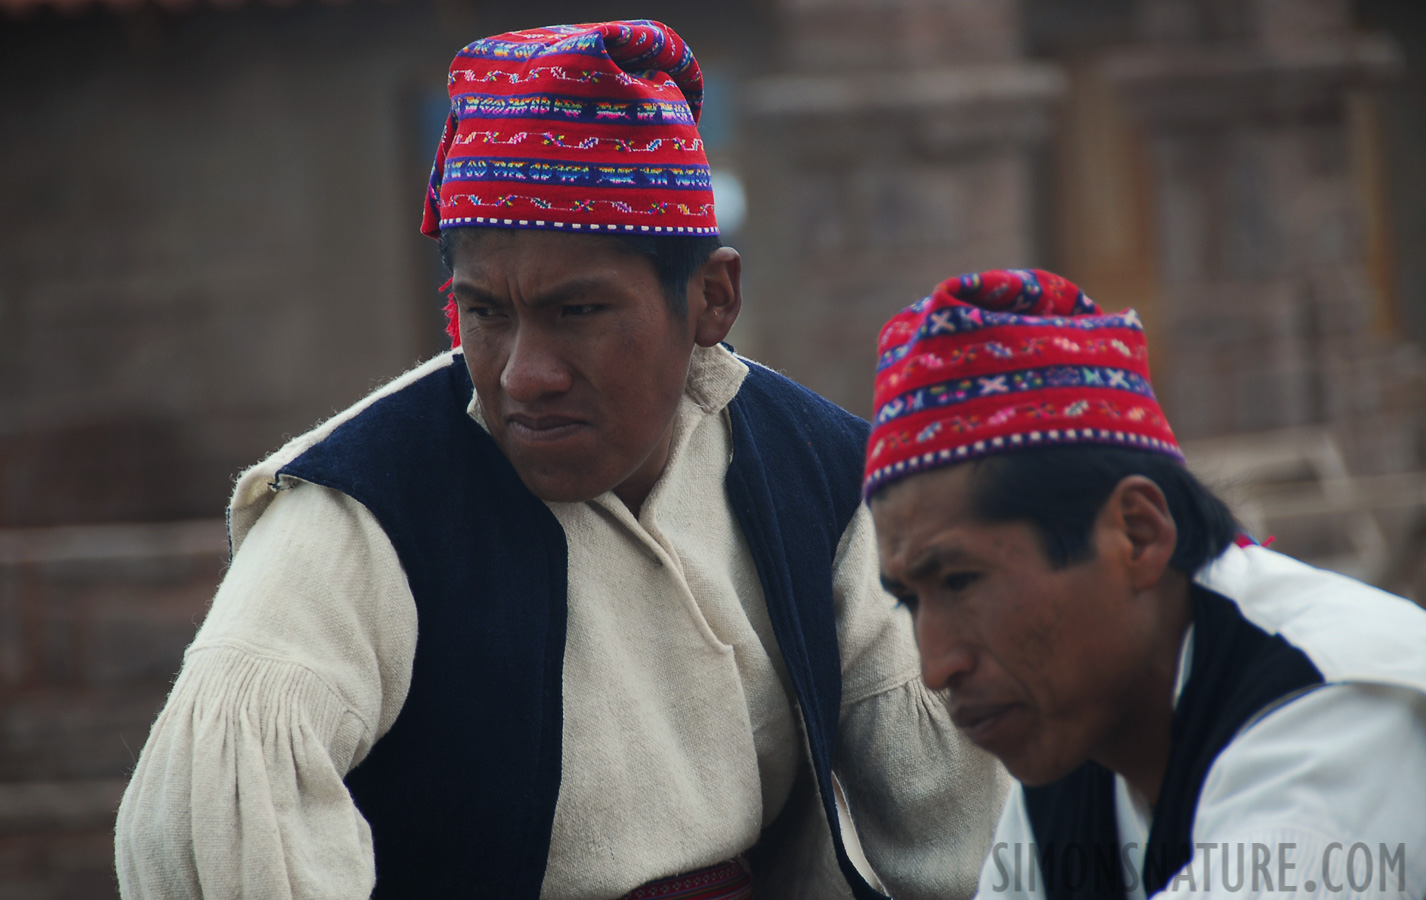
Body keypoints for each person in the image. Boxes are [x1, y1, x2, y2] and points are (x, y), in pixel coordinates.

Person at [114, 21, 1006, 900]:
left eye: (579, 312)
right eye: (487, 313)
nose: (523, 375)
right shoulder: (361, 510)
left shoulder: (816, 472)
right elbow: (208, 827)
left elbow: (965, 824)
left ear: (711, 299)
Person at [863, 268, 1426, 900]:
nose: (936, 667)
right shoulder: (1071, 755)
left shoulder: (1336, 708)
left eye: (962, 582)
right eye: (910, 601)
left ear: (1137, 534)